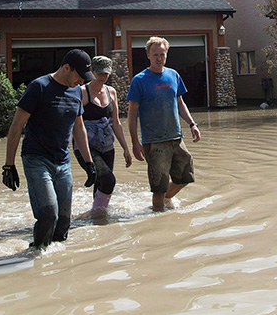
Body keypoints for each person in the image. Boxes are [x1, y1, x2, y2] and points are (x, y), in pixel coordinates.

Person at [2, 49, 96, 249]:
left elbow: (79, 128)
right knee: (48, 215)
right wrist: (9, 165)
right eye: (79, 76)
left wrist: (89, 163)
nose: (81, 81)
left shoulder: (77, 92)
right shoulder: (39, 87)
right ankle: (35, 257)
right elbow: (17, 126)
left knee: (63, 222)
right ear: (66, 68)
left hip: (63, 161)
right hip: (37, 159)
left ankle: (55, 264)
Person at [126, 36, 201, 211]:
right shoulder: (139, 80)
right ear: (148, 55)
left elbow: (180, 103)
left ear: (166, 54)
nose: (159, 58)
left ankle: (166, 200)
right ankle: (157, 217)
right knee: (158, 187)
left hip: (176, 137)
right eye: (155, 55)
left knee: (185, 176)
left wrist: (192, 124)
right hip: (154, 141)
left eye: (162, 54)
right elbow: (132, 114)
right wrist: (135, 142)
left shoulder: (173, 75)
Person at [73, 55, 132, 217]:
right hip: (86, 145)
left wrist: (126, 149)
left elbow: (116, 123)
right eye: (99, 73)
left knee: (101, 183)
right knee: (108, 180)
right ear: (92, 71)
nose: (103, 77)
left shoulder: (111, 92)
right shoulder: (82, 92)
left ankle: (97, 216)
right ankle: (99, 214)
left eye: (106, 74)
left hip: (106, 144)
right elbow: (73, 124)